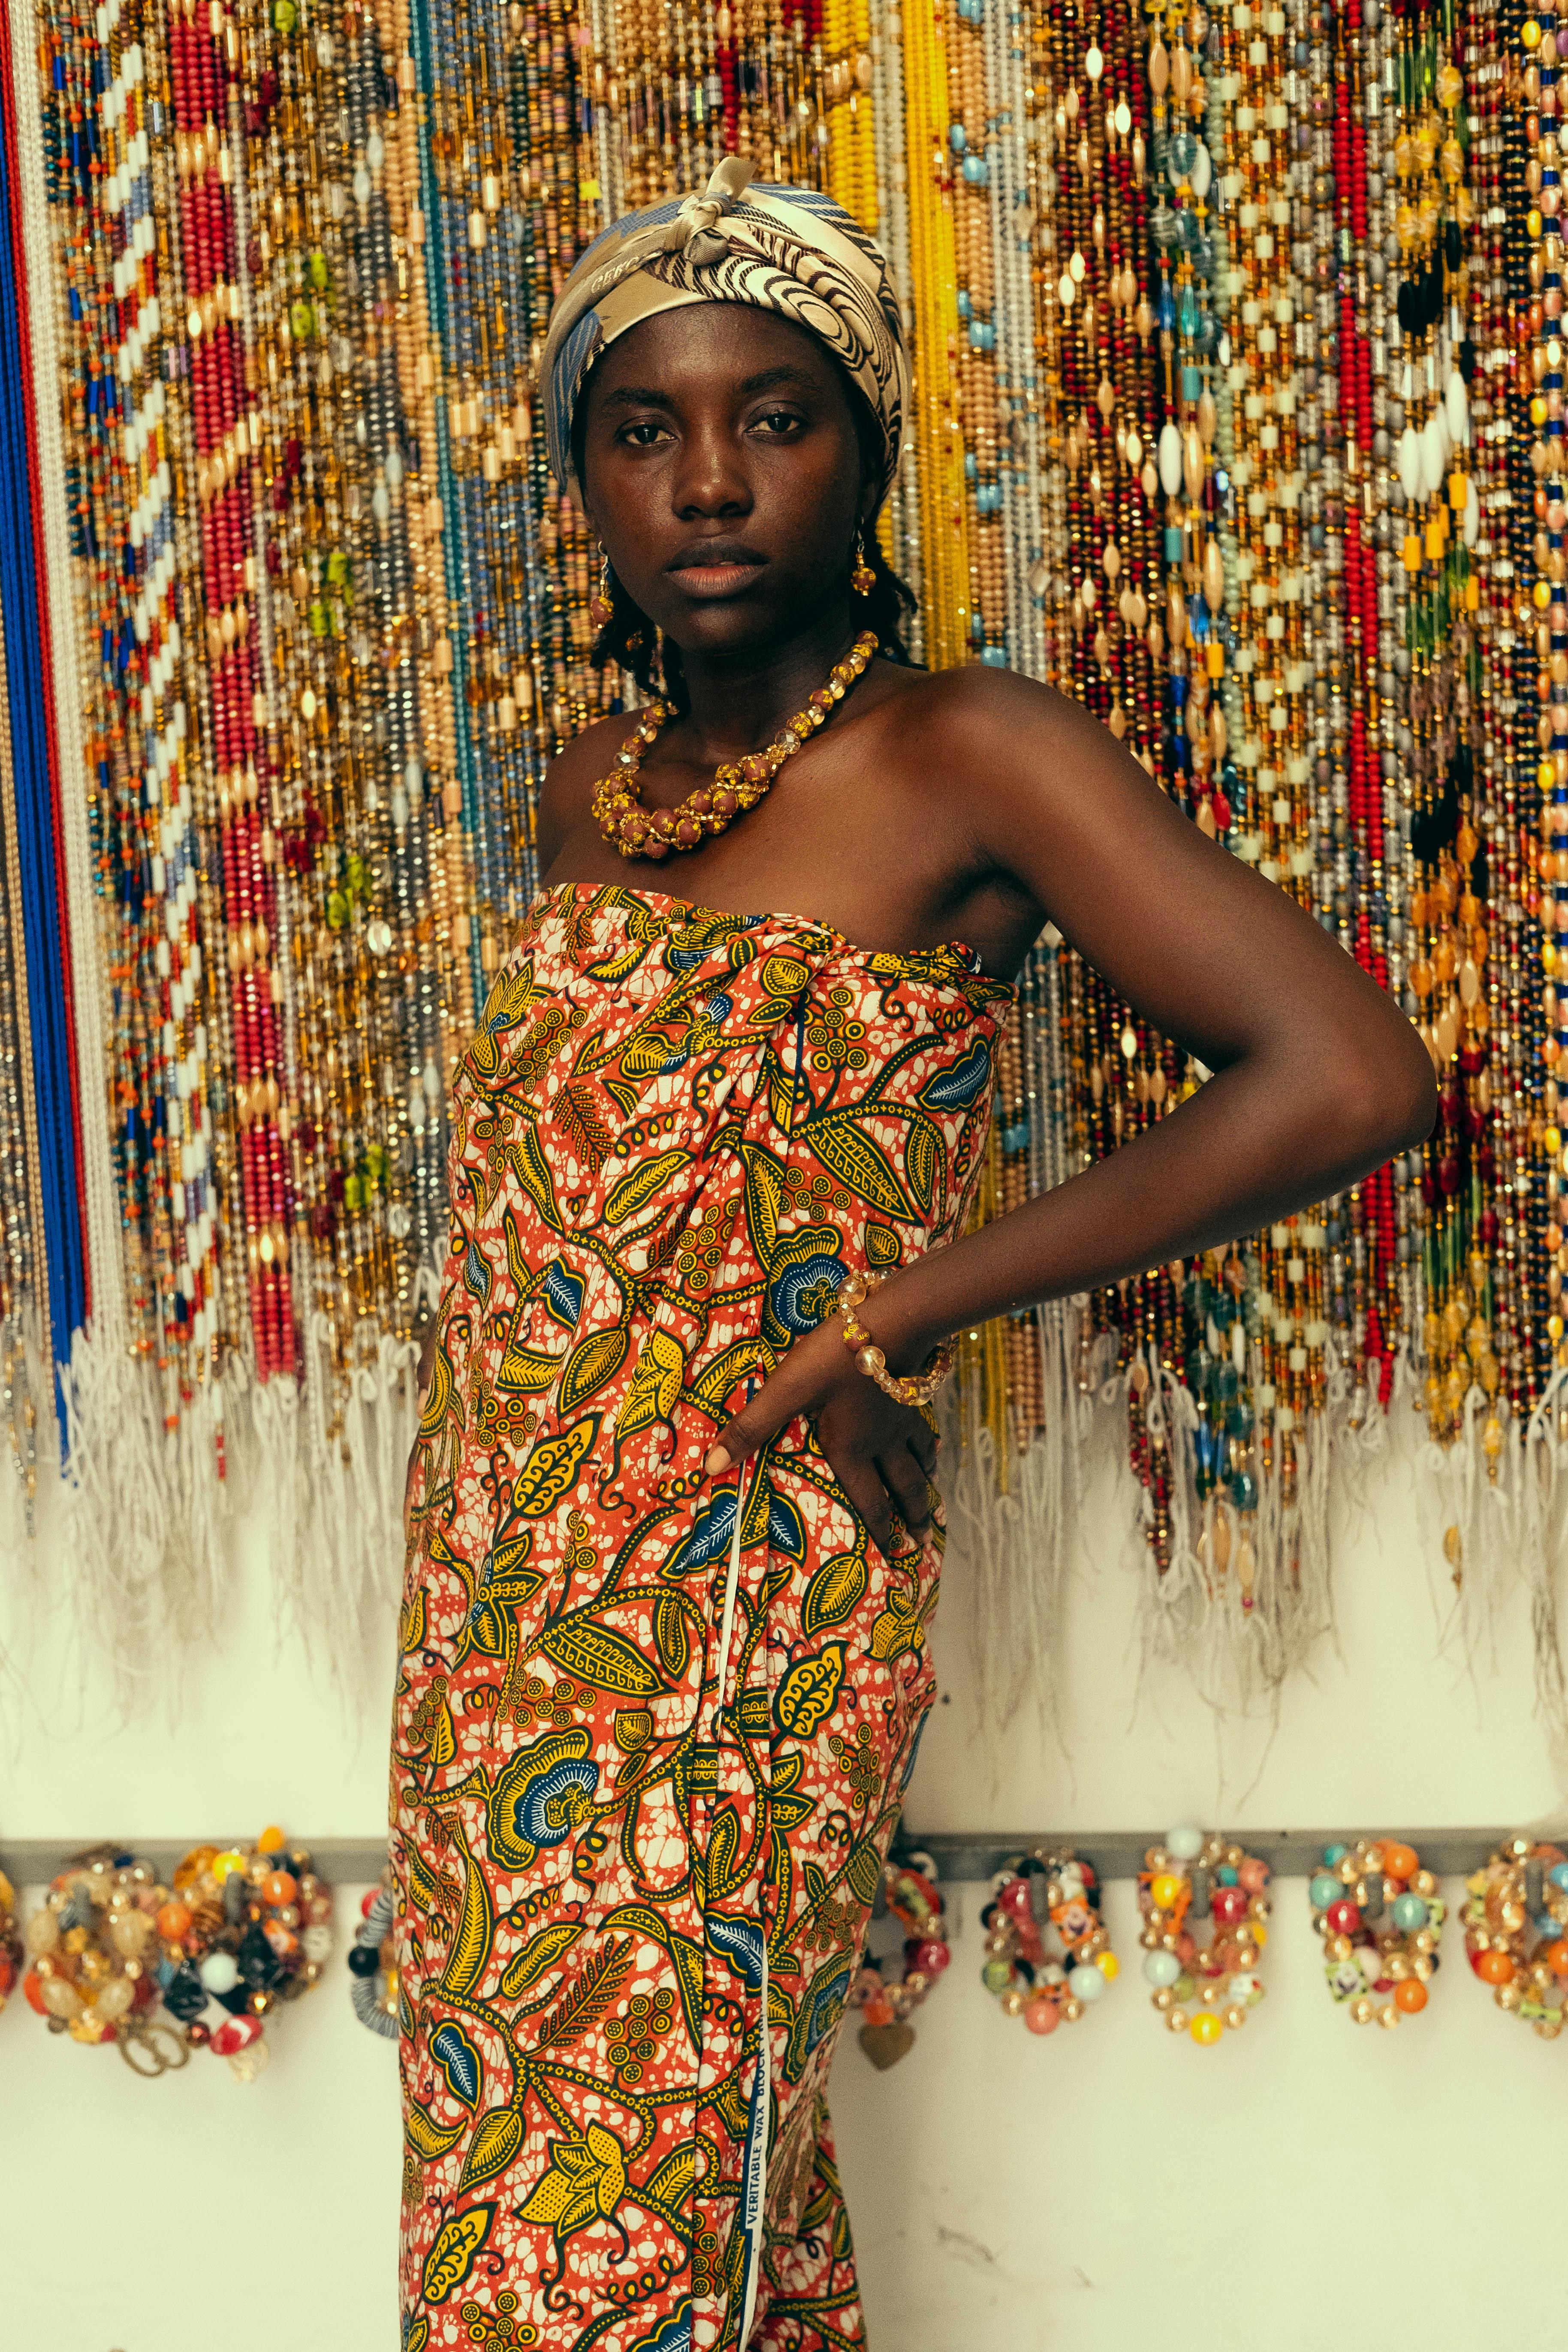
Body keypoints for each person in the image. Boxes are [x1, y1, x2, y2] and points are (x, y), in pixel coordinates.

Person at [390, 160, 1434, 2352]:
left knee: (628, 2220)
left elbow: (1340, 1074)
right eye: (642, 426)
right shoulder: (593, 785)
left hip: (743, 1598)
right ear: (576, 470)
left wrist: (895, 1314)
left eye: (774, 417)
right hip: (496, 1609)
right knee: (585, 2201)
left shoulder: (965, 752)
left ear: (863, 451)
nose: (705, 479)